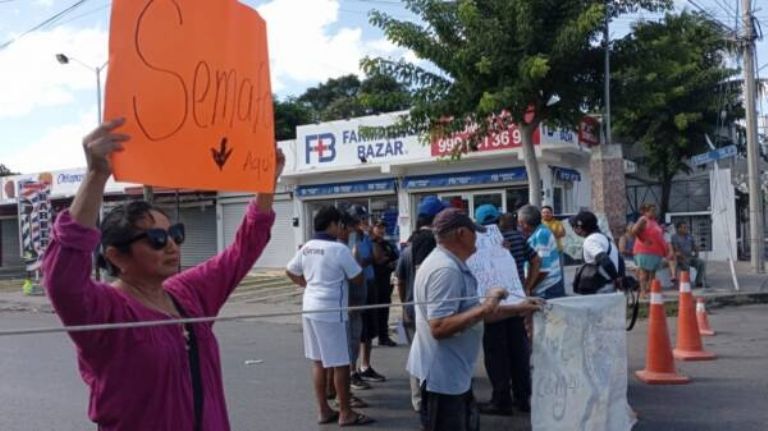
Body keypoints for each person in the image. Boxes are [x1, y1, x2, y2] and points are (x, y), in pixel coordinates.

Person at [42, 117, 283, 431]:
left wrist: (266, 184)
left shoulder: (188, 294)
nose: (171, 245)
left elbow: (242, 251)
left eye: (175, 234)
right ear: (116, 256)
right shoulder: (106, 311)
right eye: (156, 239)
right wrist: (96, 175)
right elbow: (62, 280)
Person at [407, 208, 542, 431]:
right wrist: (487, 306)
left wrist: (520, 307)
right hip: (442, 378)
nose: (478, 238)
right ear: (461, 233)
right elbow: (439, 327)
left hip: (454, 374)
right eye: (474, 232)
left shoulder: (453, 264)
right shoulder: (446, 270)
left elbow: (474, 313)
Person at [286, 206, 374, 427]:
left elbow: (290, 270)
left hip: (310, 307)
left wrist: (306, 284)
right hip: (332, 310)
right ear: (333, 224)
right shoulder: (338, 249)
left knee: (318, 362)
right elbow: (357, 278)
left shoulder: (307, 247)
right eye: (340, 224)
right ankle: (345, 412)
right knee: (340, 363)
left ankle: (324, 410)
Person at [474, 206, 534, 416]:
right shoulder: (514, 237)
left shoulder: (477, 243)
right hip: (516, 303)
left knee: (496, 356)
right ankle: (523, 398)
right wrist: (527, 286)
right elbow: (536, 259)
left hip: (495, 309)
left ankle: (502, 400)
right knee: (519, 353)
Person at [396, 195, 446, 413]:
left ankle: (419, 400)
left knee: (417, 354)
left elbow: (400, 280)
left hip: (412, 307)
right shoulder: (433, 246)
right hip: (427, 309)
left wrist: (404, 305)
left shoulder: (408, 248)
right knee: (431, 354)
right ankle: (429, 400)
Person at [348, 205, 387, 383]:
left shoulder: (366, 237)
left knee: (369, 329)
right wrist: (368, 260)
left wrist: (374, 239)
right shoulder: (349, 238)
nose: (365, 222)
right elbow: (356, 263)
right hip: (356, 285)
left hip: (370, 283)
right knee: (355, 330)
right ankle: (352, 370)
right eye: (362, 219)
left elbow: (378, 257)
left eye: (366, 218)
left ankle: (365, 366)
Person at [517, 205, 566, 299]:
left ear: (523, 223)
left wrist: (528, 287)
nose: (518, 224)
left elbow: (544, 269)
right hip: (544, 287)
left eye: (519, 221)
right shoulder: (536, 232)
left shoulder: (541, 234)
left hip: (548, 288)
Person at [570, 211, 621, 294]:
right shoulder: (604, 238)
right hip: (608, 284)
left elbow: (604, 259)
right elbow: (620, 260)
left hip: (600, 287)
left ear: (580, 228)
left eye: (574, 227)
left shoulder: (591, 240)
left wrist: (616, 279)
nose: (573, 230)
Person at [631, 203, 669, 296]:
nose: (654, 213)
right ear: (645, 212)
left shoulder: (653, 221)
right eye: (652, 211)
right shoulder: (643, 219)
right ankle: (643, 292)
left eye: (655, 211)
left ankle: (652, 291)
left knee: (652, 273)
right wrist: (643, 239)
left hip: (655, 251)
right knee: (644, 272)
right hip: (645, 251)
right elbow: (634, 230)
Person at [371, 220, 399, 346]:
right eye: (378, 227)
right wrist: (384, 262)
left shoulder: (387, 244)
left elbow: (395, 259)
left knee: (384, 309)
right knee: (372, 311)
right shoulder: (369, 243)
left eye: (383, 227)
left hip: (386, 281)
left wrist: (389, 263)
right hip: (373, 282)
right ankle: (368, 338)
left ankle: (383, 337)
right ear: (373, 228)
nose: (381, 230)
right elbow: (375, 262)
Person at [671, 222, 707, 288]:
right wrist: (682, 256)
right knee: (685, 264)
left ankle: (698, 281)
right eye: (684, 228)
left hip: (690, 256)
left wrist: (696, 251)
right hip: (680, 257)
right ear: (679, 229)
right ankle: (686, 282)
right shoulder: (675, 237)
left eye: (686, 227)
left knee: (701, 263)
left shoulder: (689, 236)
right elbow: (675, 249)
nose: (686, 229)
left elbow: (694, 246)